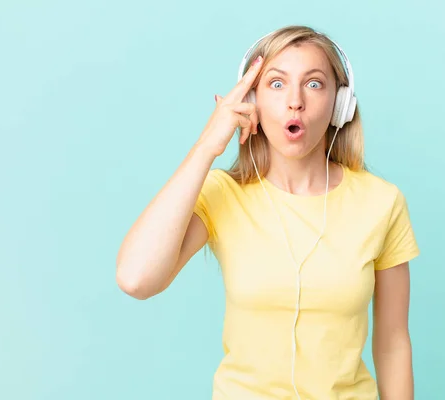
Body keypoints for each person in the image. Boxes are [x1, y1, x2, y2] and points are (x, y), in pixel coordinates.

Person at [116, 25, 420, 400]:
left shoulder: (382, 202)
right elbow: (136, 279)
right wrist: (207, 145)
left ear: (341, 105)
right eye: (276, 84)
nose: (295, 101)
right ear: (252, 101)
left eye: (314, 84)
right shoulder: (222, 194)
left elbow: (392, 344)